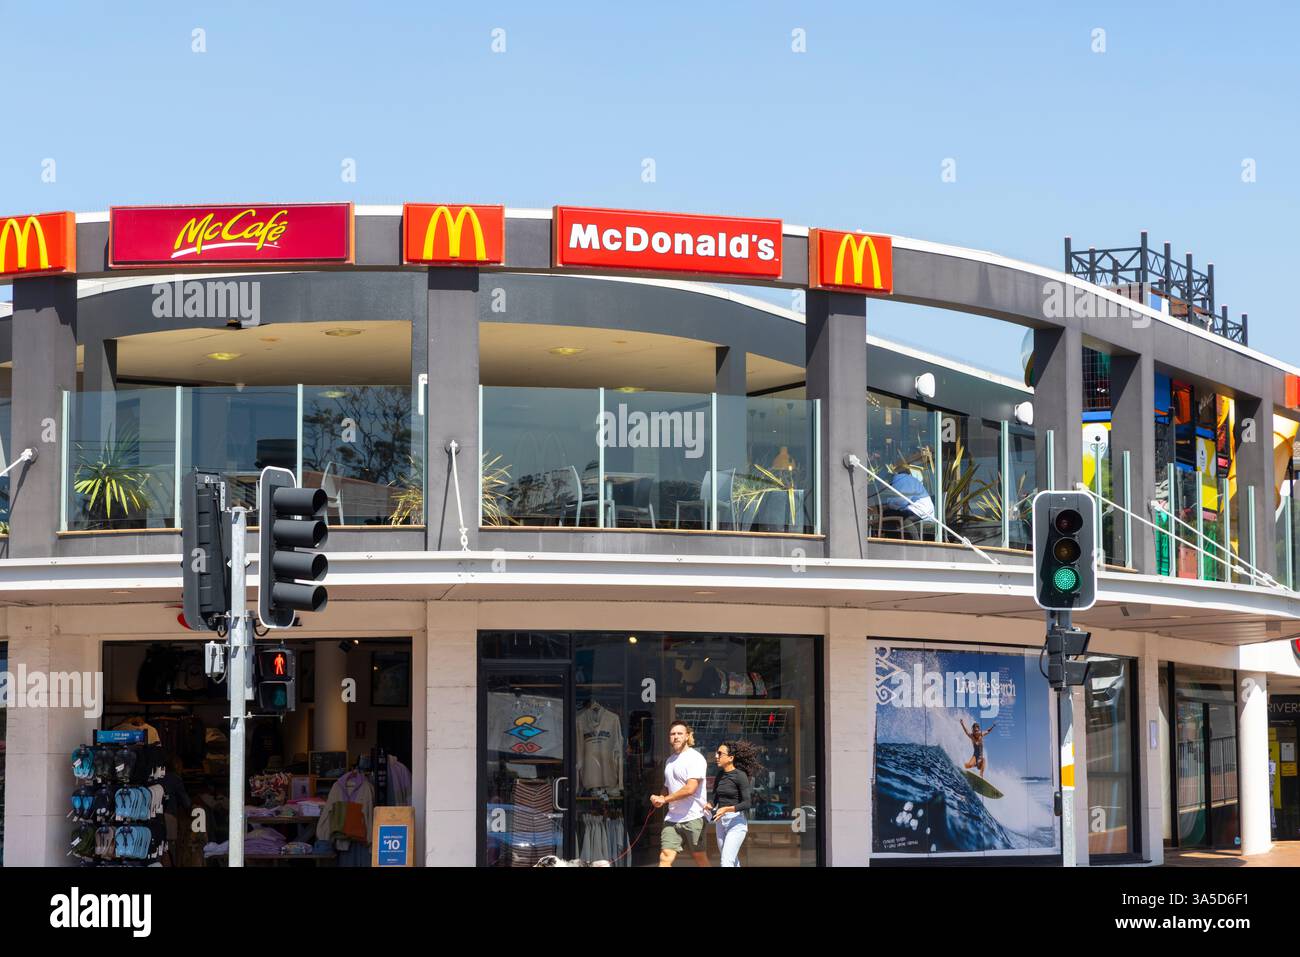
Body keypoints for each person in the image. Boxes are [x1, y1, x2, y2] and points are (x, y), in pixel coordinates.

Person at [650, 720, 709, 867]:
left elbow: (690, 789)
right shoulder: (670, 761)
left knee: (699, 857)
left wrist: (665, 800)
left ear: (688, 736)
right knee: (665, 857)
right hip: (673, 818)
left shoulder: (695, 758)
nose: (676, 737)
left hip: (694, 817)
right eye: (672, 734)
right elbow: (667, 786)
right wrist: (659, 797)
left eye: (679, 733)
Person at [705, 739, 763, 868]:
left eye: (720, 754)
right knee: (732, 860)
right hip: (720, 823)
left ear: (730, 758)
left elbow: (747, 803)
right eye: (716, 753)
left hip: (736, 823)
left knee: (726, 862)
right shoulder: (719, 775)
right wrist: (709, 804)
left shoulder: (740, 776)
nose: (716, 756)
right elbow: (715, 798)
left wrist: (726, 809)